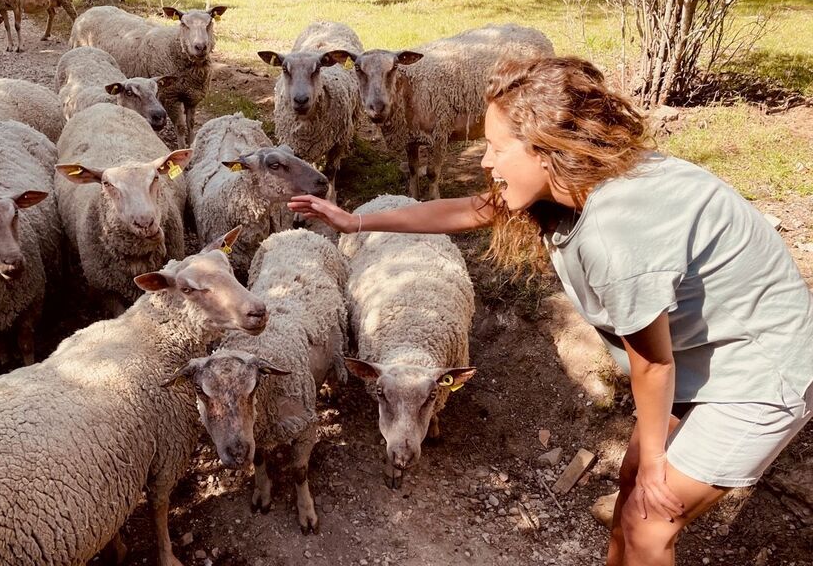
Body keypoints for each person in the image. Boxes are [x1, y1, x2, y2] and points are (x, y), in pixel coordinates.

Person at [288, 56, 813, 566]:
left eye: (495, 147)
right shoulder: (578, 179)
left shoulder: (617, 235)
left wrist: (656, 460)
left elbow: (652, 364)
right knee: (631, 487)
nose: (485, 161)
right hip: (704, 351)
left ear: (545, 147)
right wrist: (355, 222)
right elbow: (470, 209)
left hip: (760, 372)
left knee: (648, 525)